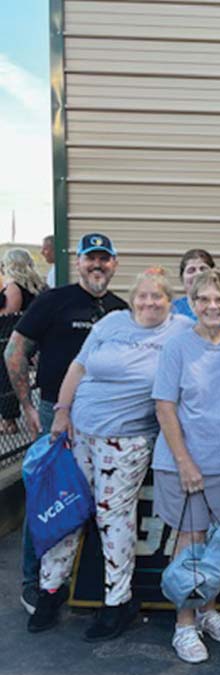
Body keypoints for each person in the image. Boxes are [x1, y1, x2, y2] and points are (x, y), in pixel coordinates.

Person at [26, 267, 192, 638]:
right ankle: (50, 590)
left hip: (128, 440)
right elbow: (78, 367)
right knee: (66, 507)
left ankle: (117, 602)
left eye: (158, 297)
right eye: (143, 296)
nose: (149, 303)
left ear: (170, 301)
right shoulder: (112, 322)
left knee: (111, 517)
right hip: (80, 431)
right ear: (132, 300)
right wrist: (63, 411)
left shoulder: (179, 330)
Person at [5, 232, 128, 616]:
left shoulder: (121, 310)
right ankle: (33, 584)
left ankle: (78, 584)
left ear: (114, 264)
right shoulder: (53, 301)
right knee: (47, 499)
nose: (97, 265)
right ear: (78, 263)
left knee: (93, 504)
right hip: (56, 415)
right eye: (90, 258)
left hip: (104, 421)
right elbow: (15, 351)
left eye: (104, 259)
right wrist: (27, 406)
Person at [152, 269, 220, 663]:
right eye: (203, 300)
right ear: (191, 304)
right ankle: (184, 625)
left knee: (217, 547)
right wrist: (185, 461)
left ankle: (207, 610)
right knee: (189, 545)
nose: (212, 306)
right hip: (183, 463)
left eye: (219, 300)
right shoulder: (177, 346)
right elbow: (164, 406)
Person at [0, 248, 46, 434]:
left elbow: (8, 314)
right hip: (26, 339)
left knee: (5, 380)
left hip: (9, 339)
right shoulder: (36, 286)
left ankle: (9, 421)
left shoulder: (14, 287)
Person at [171, 248, 216, 320]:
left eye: (203, 269)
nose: (198, 274)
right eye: (191, 270)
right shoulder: (171, 309)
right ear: (182, 278)